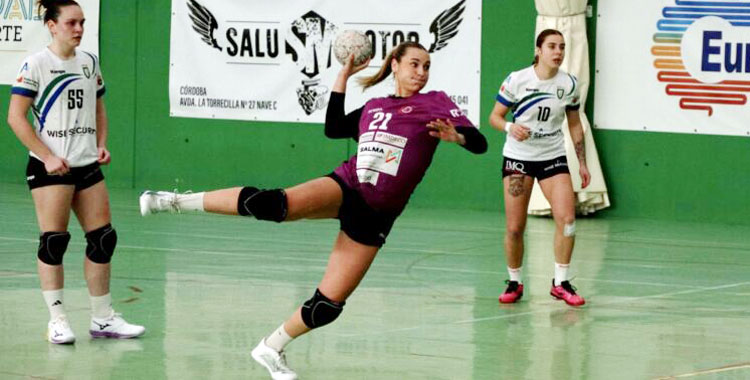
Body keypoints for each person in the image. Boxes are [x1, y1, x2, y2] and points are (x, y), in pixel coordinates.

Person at [139, 41, 487, 379]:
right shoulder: (375, 106)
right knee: (274, 205)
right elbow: (333, 128)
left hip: (377, 214)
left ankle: (271, 347)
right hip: (347, 185)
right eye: (414, 64)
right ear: (394, 64)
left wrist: (457, 138)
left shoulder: (435, 103)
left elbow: (480, 143)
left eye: (427, 66)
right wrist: (343, 76)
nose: (422, 72)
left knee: (328, 306)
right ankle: (172, 200)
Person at [7, 0, 145, 344]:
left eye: (82, 22)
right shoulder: (36, 64)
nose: (79, 29)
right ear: (52, 26)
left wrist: (101, 143)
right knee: (54, 242)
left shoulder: (89, 62)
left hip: (86, 166)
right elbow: (15, 118)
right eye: (71, 23)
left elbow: (98, 107)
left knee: (103, 238)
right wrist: (46, 156)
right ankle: (57, 320)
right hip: (50, 168)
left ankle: (102, 320)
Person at [488, 29, 591, 307]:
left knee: (568, 220)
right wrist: (511, 126)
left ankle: (560, 282)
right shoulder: (517, 80)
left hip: (552, 158)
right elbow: (494, 117)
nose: (558, 52)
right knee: (514, 228)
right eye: (552, 46)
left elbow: (574, 124)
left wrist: (582, 163)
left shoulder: (569, 84)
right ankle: (514, 281)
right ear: (538, 50)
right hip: (518, 160)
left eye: (562, 47)